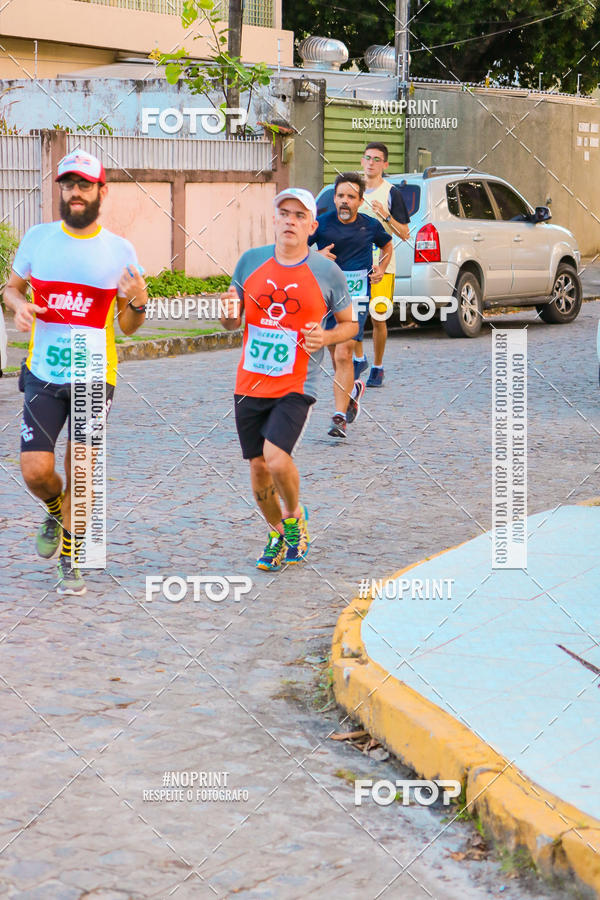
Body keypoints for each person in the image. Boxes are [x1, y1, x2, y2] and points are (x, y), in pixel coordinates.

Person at [3, 150, 147, 596]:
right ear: (61, 191)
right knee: (34, 469)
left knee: (80, 468)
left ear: (102, 191)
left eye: (85, 185)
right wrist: (19, 304)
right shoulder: (38, 238)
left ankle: (71, 557)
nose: (76, 193)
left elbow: (128, 325)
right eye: (69, 185)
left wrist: (139, 300)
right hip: (42, 369)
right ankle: (54, 506)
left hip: (93, 370)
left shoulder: (120, 251)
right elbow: (11, 287)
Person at [220, 187, 356, 570]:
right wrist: (229, 312)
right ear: (274, 219)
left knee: (276, 458)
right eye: (284, 213)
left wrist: (326, 337)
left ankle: (295, 519)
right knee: (258, 467)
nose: (290, 221)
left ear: (312, 226)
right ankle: (277, 533)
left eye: (300, 216)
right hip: (249, 383)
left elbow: (350, 325)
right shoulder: (250, 262)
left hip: (296, 383)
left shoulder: (327, 271)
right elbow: (232, 321)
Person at [308, 172, 392, 437]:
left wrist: (381, 266)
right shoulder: (320, 224)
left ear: (360, 201)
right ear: (334, 198)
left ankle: (339, 417)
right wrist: (316, 255)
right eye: (341, 196)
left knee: (344, 353)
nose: (345, 201)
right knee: (336, 357)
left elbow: (388, 245)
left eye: (351, 197)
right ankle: (353, 391)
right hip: (328, 298)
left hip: (356, 298)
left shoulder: (370, 226)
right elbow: (294, 252)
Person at [357, 141, 410, 387]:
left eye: (377, 159)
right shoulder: (352, 191)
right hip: (354, 263)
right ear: (362, 161)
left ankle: (377, 367)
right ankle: (359, 359)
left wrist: (386, 215)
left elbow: (405, 234)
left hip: (383, 264)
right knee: (351, 317)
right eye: (368, 158)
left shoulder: (391, 193)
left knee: (378, 317)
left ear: (385, 164)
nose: (371, 162)